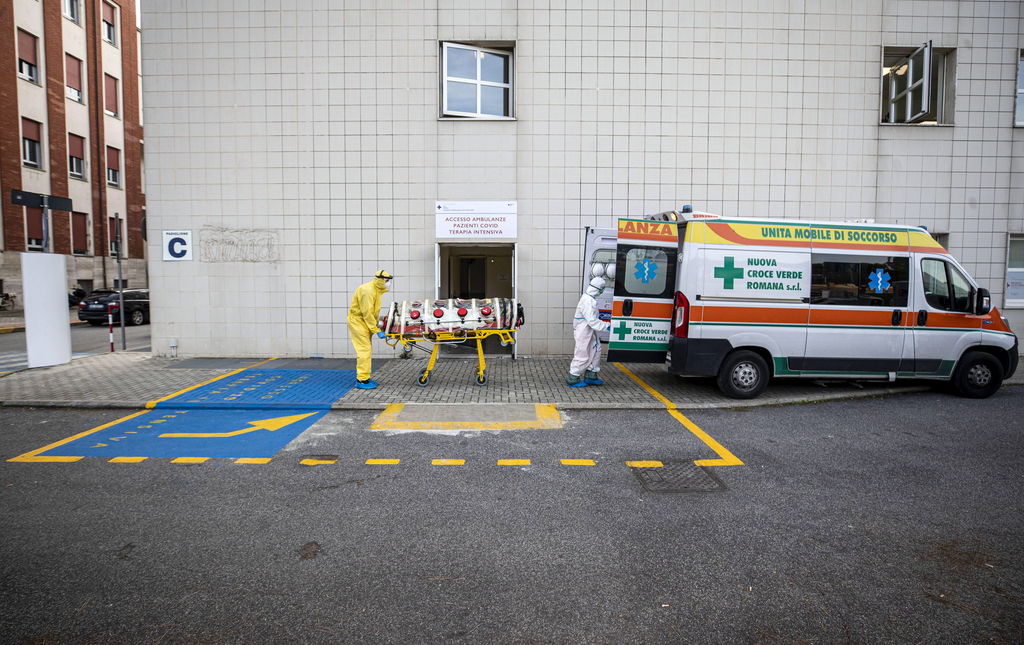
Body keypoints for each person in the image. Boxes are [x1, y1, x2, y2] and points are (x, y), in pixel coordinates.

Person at [348, 270, 392, 389]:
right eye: (386, 281)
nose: (388, 283)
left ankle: (365, 378)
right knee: (364, 350)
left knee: (367, 350)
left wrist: (377, 325)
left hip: (365, 323)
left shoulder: (377, 290)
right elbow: (367, 313)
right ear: (380, 280)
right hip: (358, 322)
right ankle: (362, 380)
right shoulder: (367, 290)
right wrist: (376, 330)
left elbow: (372, 312)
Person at [566, 276, 610, 387]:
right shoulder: (588, 301)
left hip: (589, 330)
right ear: (598, 288)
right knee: (582, 353)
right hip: (583, 331)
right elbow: (593, 321)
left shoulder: (590, 299)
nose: (602, 291)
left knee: (596, 350)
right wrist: (608, 326)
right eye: (602, 288)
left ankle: (591, 375)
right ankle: (573, 377)